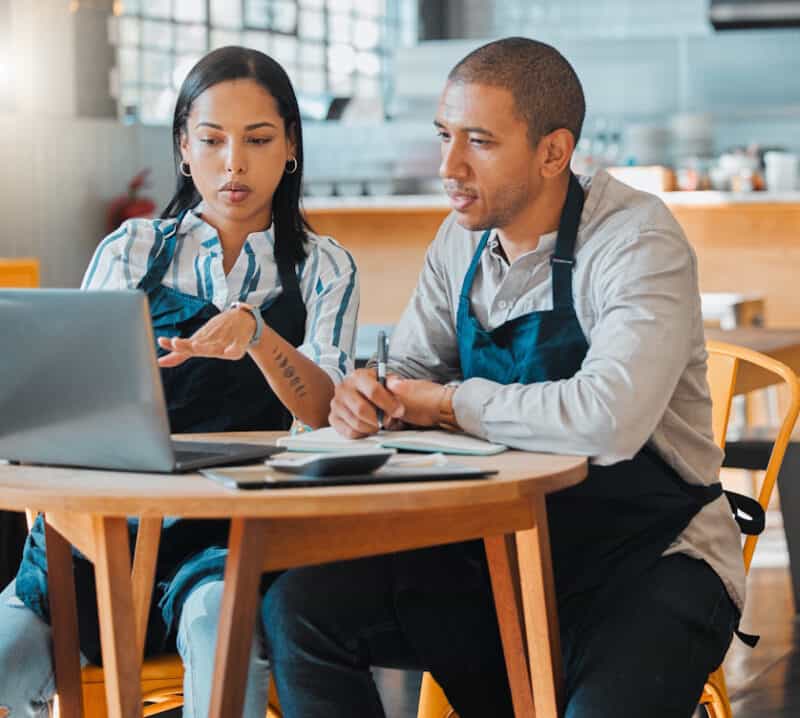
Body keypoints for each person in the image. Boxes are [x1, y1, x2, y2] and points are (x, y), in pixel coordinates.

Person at [258, 37, 746, 718]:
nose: (449, 167)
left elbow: (608, 418)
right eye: (444, 136)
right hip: (496, 555)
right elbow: (408, 377)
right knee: (301, 607)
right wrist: (370, 399)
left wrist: (449, 403)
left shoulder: (635, 240)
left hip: (649, 566)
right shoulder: (460, 240)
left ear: (553, 152)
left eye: (479, 141)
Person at [0, 46, 358, 718]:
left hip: (225, 543)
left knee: (218, 627)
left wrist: (257, 335)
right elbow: (68, 402)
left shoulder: (323, 268)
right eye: (212, 140)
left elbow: (326, 411)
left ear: (291, 150)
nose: (234, 163)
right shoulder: (130, 250)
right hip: (97, 538)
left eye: (258, 140)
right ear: (183, 150)